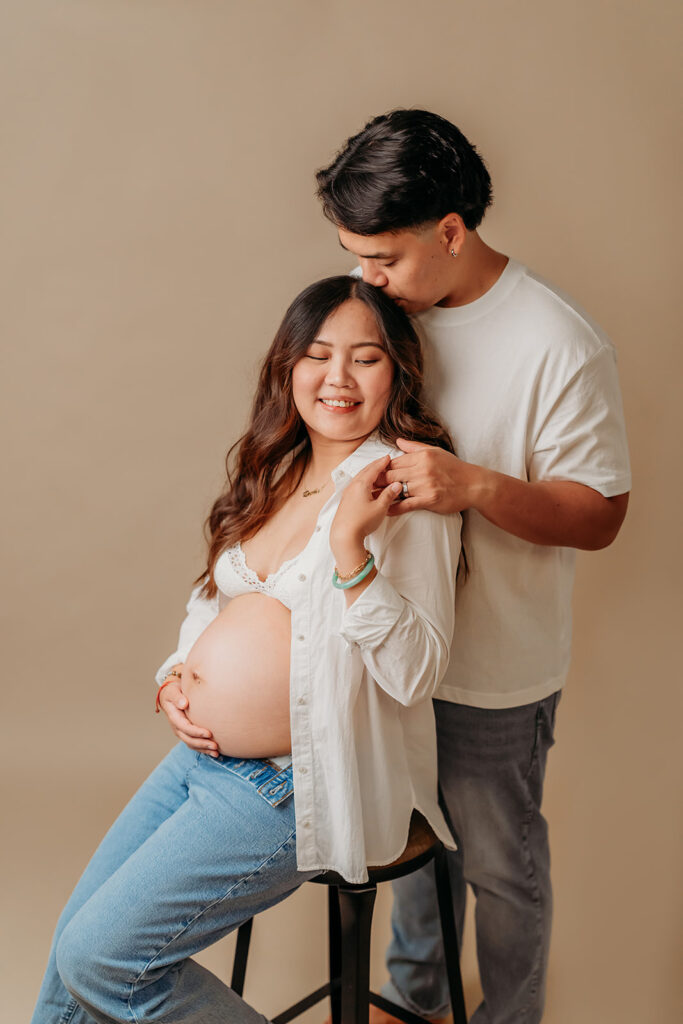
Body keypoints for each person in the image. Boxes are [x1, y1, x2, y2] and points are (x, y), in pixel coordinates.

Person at [32, 275, 462, 1024]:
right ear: (286, 365)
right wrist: (177, 675)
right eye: (318, 355)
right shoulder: (278, 464)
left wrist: (349, 548)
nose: (337, 378)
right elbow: (213, 600)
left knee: (101, 961)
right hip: (200, 759)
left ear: (396, 371)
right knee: (71, 949)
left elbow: (416, 670)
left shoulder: (403, 484)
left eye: (365, 358)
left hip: (292, 786)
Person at [316, 109, 631, 1024]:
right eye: (355, 256)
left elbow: (601, 516)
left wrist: (475, 487)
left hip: (496, 674)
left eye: (384, 260)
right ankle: (416, 1008)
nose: (363, 279)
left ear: (451, 231)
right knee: (417, 860)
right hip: (388, 651)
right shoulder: (377, 309)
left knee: (501, 873)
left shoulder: (559, 345)